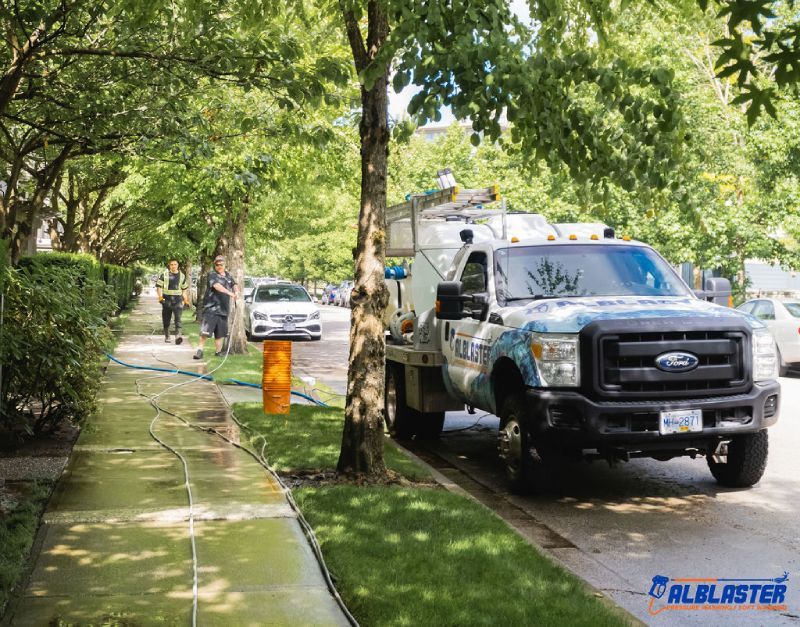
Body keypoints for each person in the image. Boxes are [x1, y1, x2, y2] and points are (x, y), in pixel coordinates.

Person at [194, 255, 239, 359]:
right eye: (217, 265)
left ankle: (218, 352)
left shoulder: (228, 275)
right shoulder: (212, 275)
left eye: (221, 264)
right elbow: (217, 286)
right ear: (215, 265)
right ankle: (199, 351)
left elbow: (234, 284)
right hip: (211, 309)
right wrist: (230, 293)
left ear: (224, 264)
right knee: (205, 332)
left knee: (220, 333)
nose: (219, 266)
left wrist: (236, 291)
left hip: (223, 309)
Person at [155, 259, 190, 344]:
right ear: (169, 266)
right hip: (166, 300)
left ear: (177, 265)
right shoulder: (164, 275)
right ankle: (167, 336)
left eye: (175, 264)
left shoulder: (182, 276)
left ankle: (178, 336)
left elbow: (184, 289)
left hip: (178, 300)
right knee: (166, 319)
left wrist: (186, 300)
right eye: (172, 264)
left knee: (178, 319)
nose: (173, 266)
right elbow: (159, 287)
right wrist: (160, 297)